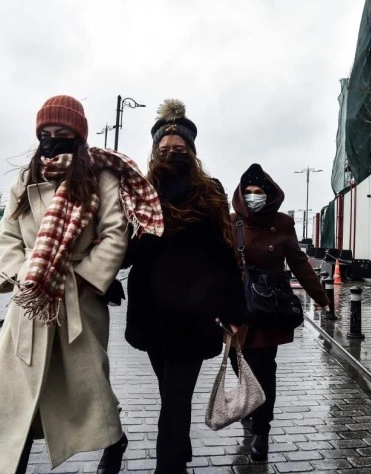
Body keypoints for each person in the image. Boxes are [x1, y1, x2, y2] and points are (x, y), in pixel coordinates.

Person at [0, 95, 163, 474]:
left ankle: (113, 439)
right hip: (32, 299)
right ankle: (2, 461)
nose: (51, 140)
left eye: (61, 132)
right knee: (14, 392)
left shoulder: (101, 177)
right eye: (45, 133)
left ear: (78, 135)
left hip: (77, 298)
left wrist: (84, 280)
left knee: (88, 387)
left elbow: (115, 234)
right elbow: (8, 234)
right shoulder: (27, 178)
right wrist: (24, 277)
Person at [123, 99, 245, 473]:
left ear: (191, 151)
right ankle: (179, 442)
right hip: (151, 310)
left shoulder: (210, 191)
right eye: (164, 149)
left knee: (175, 396)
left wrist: (234, 310)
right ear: (154, 152)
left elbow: (226, 252)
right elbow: (125, 250)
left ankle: (170, 465)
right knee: (170, 392)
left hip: (196, 311)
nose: (172, 154)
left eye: (179, 149)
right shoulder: (139, 191)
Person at [230, 163, 330, 462]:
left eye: (258, 192)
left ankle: (262, 430)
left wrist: (322, 298)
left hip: (268, 310)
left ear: (268, 194)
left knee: (265, 370)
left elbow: (299, 263)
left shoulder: (283, 224)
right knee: (240, 366)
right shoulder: (231, 222)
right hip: (236, 309)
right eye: (247, 192)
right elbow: (219, 266)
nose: (252, 197)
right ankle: (250, 406)